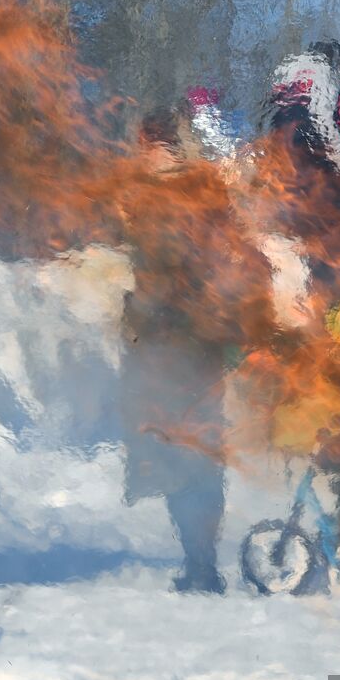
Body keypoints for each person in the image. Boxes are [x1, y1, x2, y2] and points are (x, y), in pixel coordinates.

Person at [117, 109, 275, 594]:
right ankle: (201, 560)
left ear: (150, 145)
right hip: (198, 345)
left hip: (171, 347)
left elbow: (163, 277)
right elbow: (245, 261)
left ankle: (200, 561)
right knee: (199, 449)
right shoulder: (207, 193)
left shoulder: (151, 199)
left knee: (179, 452)